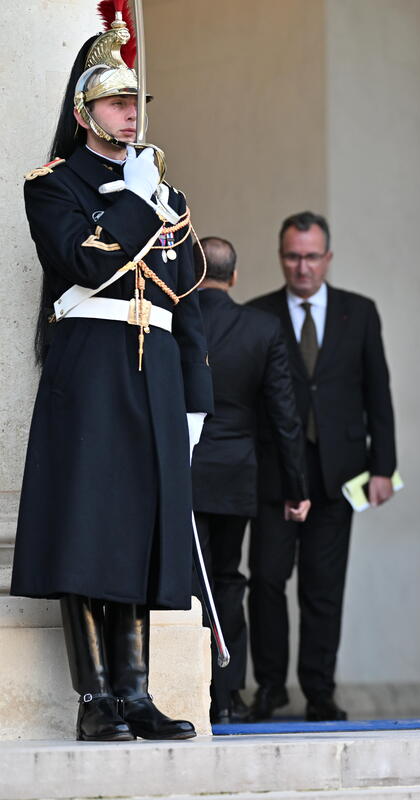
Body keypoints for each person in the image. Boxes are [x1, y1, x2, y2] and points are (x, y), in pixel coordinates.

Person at [10, 11, 212, 741]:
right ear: (84, 113)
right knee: (87, 524)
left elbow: (186, 291)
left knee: (138, 527)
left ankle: (135, 694)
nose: (131, 114)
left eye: (135, 103)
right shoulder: (54, 186)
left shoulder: (161, 190)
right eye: (116, 103)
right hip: (92, 366)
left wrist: (196, 399)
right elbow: (85, 260)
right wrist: (135, 199)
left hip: (153, 371)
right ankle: (95, 700)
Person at [246, 211, 397, 722]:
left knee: (323, 586)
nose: (303, 267)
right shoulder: (258, 314)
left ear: (328, 257)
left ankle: (319, 691)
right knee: (267, 581)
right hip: (274, 472)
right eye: (293, 256)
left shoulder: (360, 312)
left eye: (312, 257)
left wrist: (384, 466)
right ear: (280, 256)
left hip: (340, 471)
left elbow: (378, 392)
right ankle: (270, 687)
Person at [191, 236, 311, 724]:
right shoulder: (262, 328)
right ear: (235, 276)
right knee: (228, 580)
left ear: (194, 273)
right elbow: (285, 417)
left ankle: (188, 691)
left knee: (188, 583)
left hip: (183, 469)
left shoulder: (174, 320)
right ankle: (226, 697)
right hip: (237, 473)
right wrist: (296, 487)